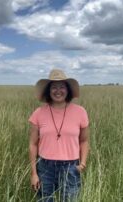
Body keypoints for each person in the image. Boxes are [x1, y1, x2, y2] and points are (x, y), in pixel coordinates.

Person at [28, 69, 90, 202]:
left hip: (71, 167)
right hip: (45, 167)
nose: (58, 91)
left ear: (68, 90)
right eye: (54, 87)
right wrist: (34, 173)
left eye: (62, 87)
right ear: (48, 91)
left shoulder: (80, 112)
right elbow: (33, 144)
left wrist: (83, 164)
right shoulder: (38, 113)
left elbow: (84, 141)